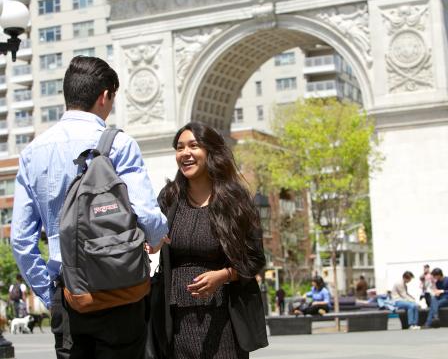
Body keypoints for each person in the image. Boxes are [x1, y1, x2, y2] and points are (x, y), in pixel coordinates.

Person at [10, 56, 168, 359]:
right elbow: (148, 216)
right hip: (122, 293)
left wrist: (50, 293)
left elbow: (20, 240)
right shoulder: (120, 144)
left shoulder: (32, 153)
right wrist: (157, 236)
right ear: (104, 96)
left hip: (69, 294)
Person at [153, 122, 268, 358]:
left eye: (193, 146)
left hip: (223, 320)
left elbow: (255, 259)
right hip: (175, 321)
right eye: (179, 147)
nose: (185, 153)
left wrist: (224, 275)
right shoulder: (168, 197)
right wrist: (151, 242)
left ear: (210, 151)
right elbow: (152, 240)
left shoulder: (235, 201)